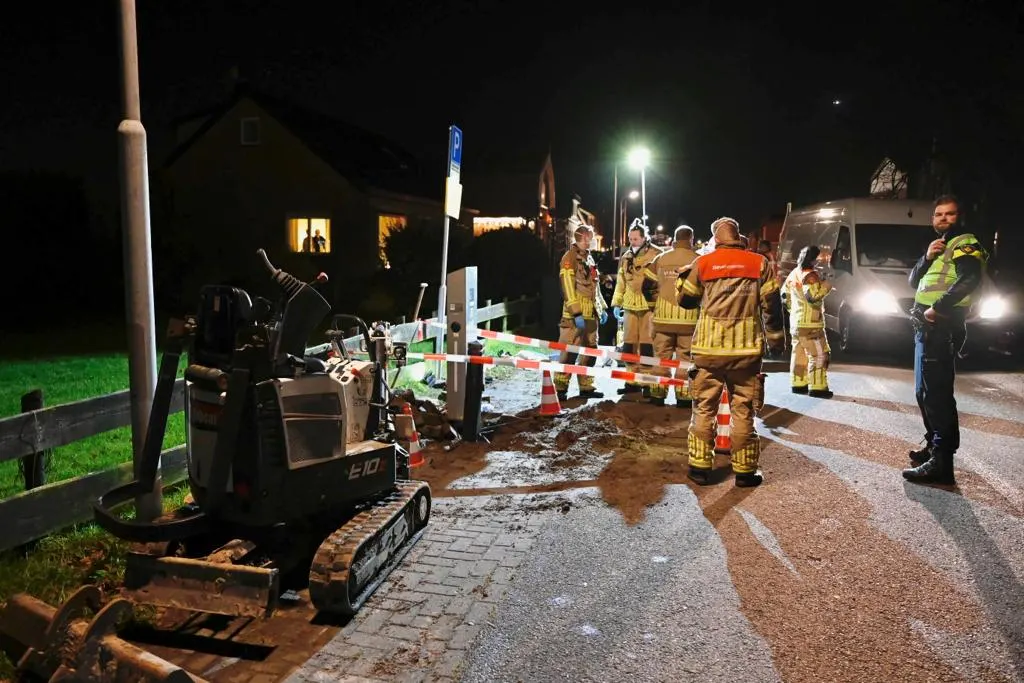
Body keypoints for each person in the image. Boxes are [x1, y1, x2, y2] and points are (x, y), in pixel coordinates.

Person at [678, 217, 785, 487]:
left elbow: (686, 300)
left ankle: (700, 468)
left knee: (704, 409)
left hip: (708, 351)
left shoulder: (703, 263)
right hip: (746, 351)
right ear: (738, 237)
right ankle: (745, 472)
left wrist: (684, 277)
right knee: (743, 410)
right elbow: (772, 304)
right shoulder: (759, 263)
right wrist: (776, 340)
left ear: (716, 238)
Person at [903, 195, 987, 485]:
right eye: (938, 214)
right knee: (923, 392)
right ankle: (932, 447)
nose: (943, 218)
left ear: (959, 216)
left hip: (941, 325)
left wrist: (936, 308)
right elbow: (913, 281)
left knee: (937, 394)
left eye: (949, 214)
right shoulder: (939, 247)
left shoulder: (965, 242)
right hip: (925, 328)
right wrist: (926, 257)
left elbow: (969, 280)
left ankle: (942, 461)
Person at [645, 225, 699, 407]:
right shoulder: (698, 260)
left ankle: (657, 395)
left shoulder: (660, 259)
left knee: (661, 357)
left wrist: (654, 307)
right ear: (691, 239)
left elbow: (647, 286)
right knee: (686, 359)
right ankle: (683, 397)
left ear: (675, 240)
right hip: (689, 321)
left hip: (663, 320)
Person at [553, 225, 608, 401]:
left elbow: (595, 286)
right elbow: (568, 287)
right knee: (569, 351)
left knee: (591, 350)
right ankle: (560, 389)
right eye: (589, 237)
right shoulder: (569, 258)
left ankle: (586, 386)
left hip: (591, 314)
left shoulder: (588, 258)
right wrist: (576, 313)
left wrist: (602, 308)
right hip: (574, 316)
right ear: (582, 237)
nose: (591, 240)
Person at [611, 221, 662, 395]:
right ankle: (631, 380)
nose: (632, 242)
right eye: (630, 239)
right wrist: (616, 303)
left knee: (647, 344)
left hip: (648, 305)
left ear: (644, 237)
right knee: (630, 343)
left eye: (635, 238)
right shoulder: (626, 257)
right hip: (630, 304)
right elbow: (621, 281)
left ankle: (647, 383)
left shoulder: (656, 254)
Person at [781, 245, 833, 397]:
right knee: (819, 355)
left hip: (796, 324)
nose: (822, 260)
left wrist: (795, 313)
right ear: (813, 259)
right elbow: (813, 297)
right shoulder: (810, 276)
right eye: (820, 257)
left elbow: (785, 297)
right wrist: (827, 285)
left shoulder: (794, 273)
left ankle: (798, 384)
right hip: (811, 325)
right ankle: (817, 387)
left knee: (799, 355)